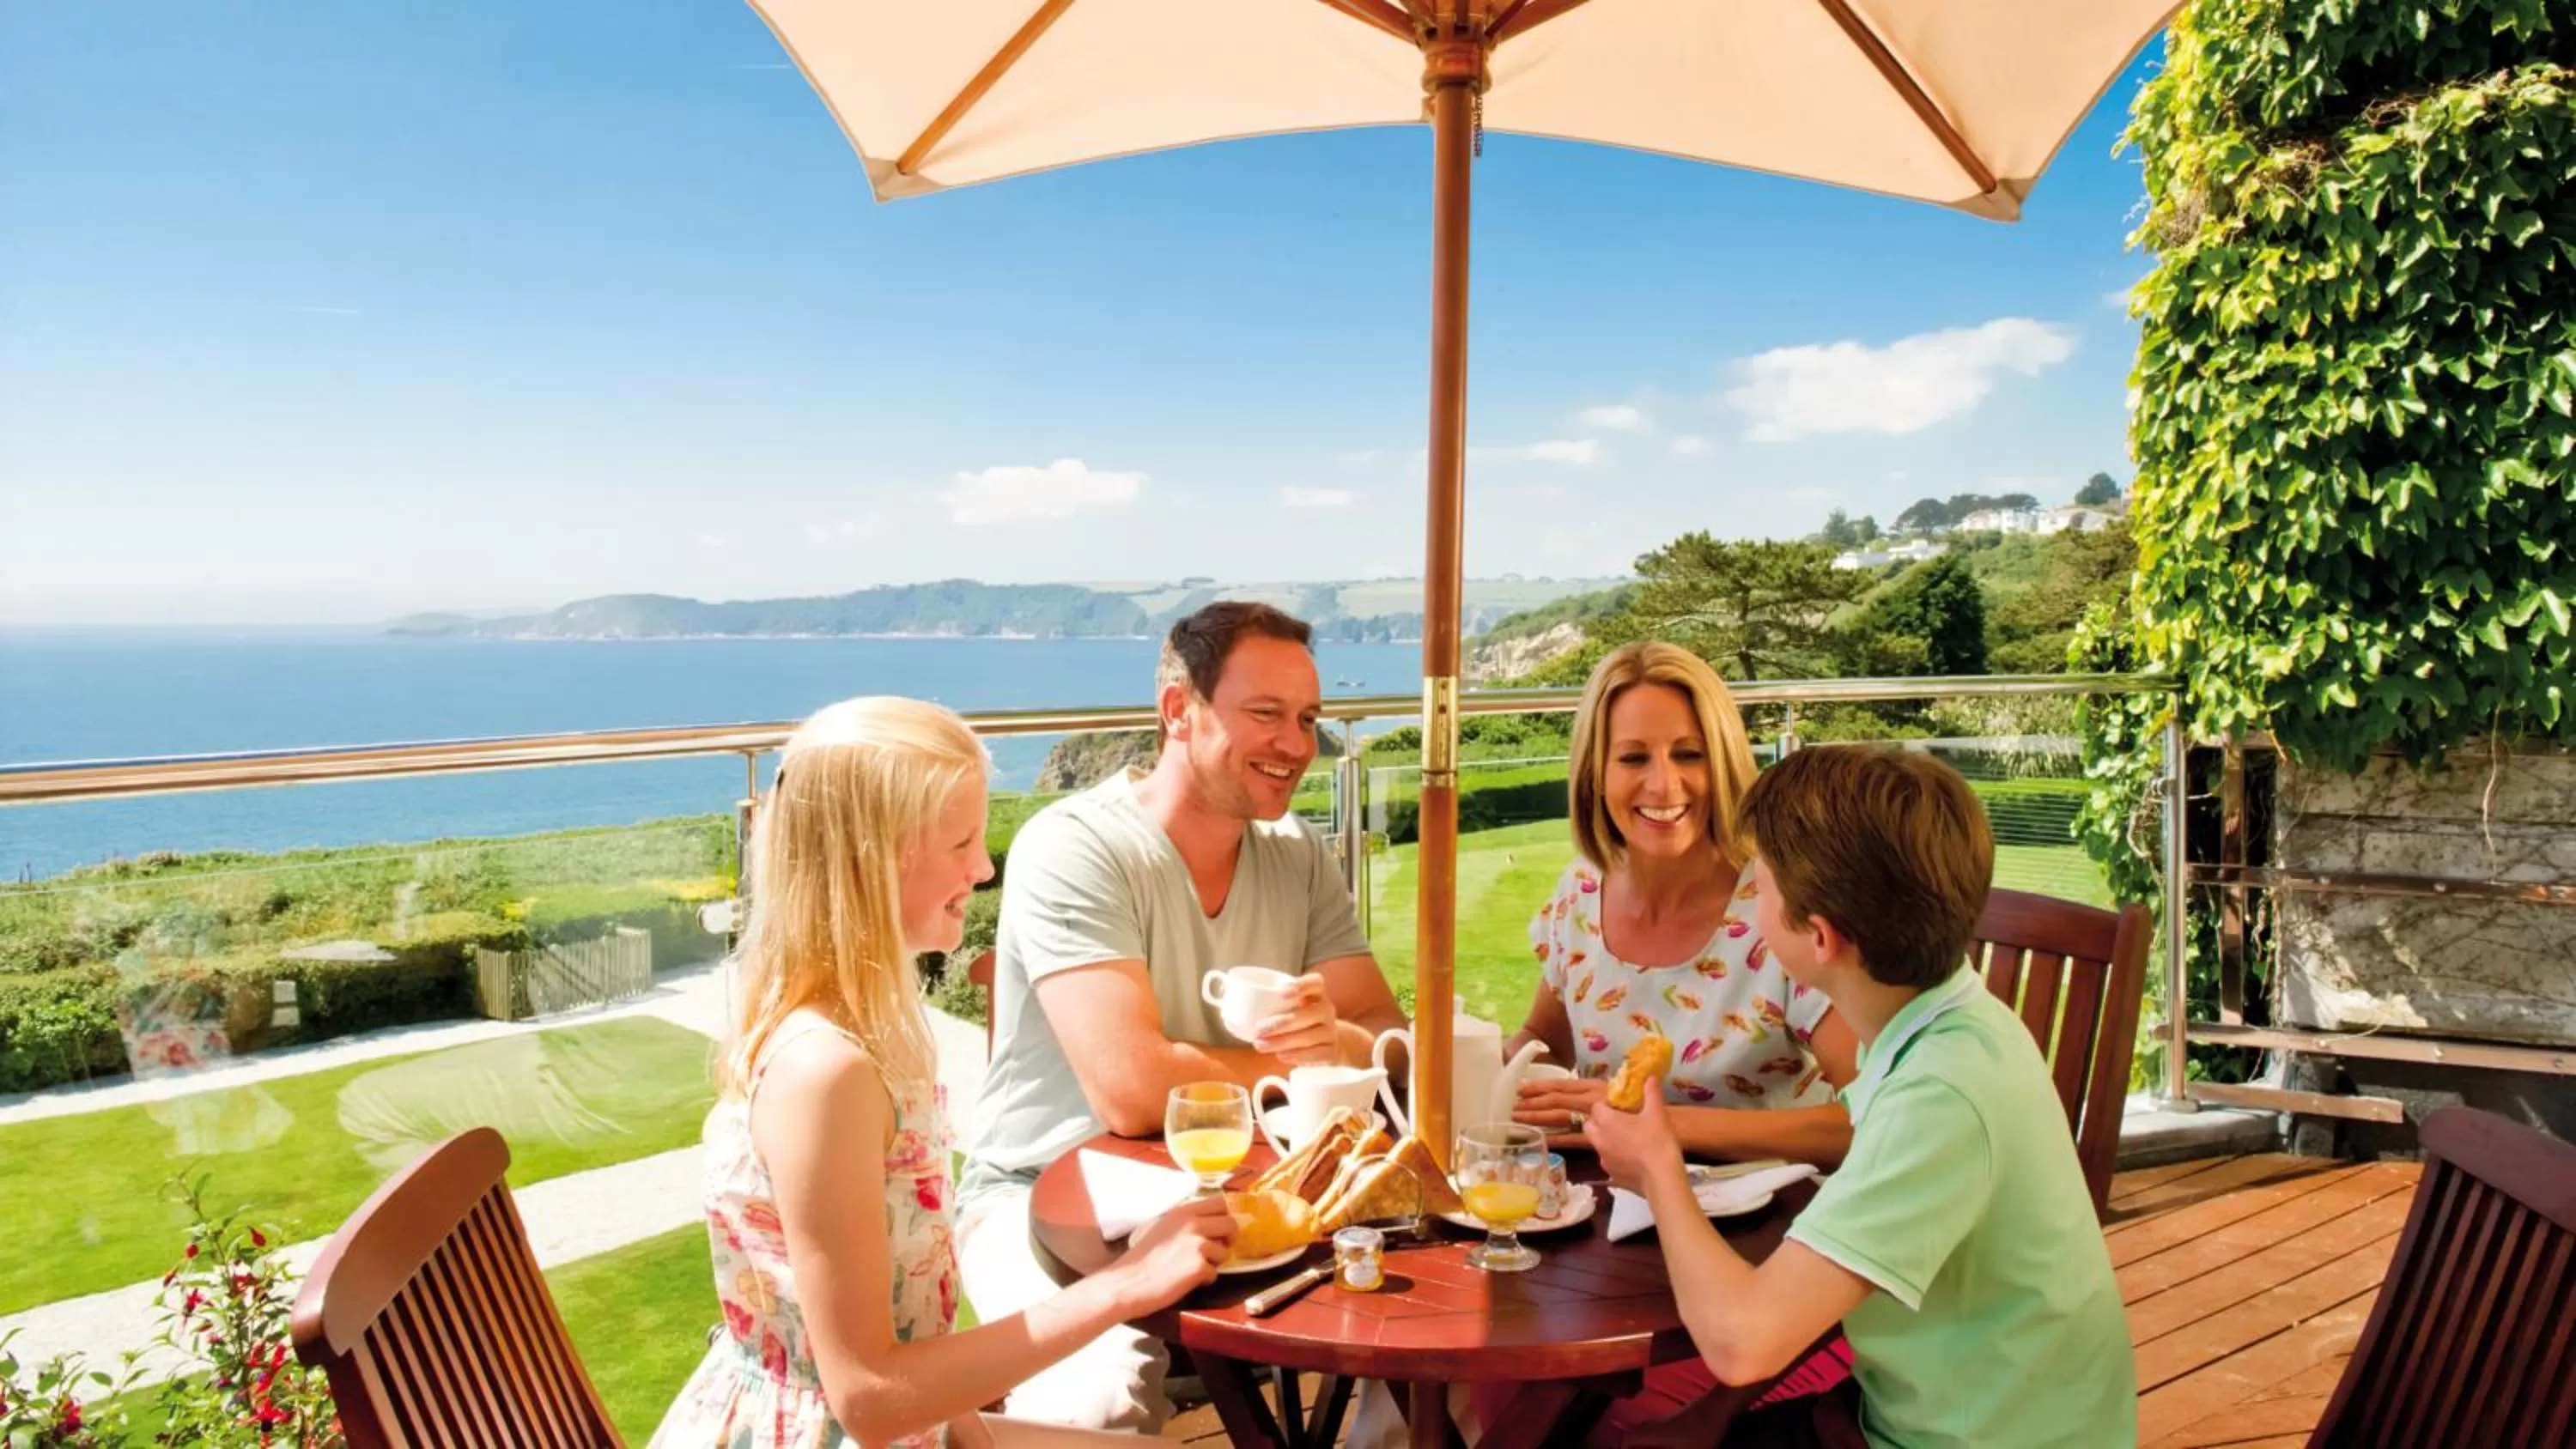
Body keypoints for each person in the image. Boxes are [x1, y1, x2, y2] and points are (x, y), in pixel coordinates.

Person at [650, 697, 1238, 1449]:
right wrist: (1127, 1285)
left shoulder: (870, 1033)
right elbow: (866, 1397)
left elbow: (901, 1339)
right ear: (870, 863)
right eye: (961, 842)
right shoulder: (824, 1073)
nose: (984, 867)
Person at [1584, 746, 2138, 1449]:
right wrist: (1706, 1419)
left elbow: (1741, 1344)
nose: (1748, 893)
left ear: (1818, 938)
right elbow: (1822, 1271)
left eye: (1762, 887)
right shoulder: (1941, 1018)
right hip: (1936, 1410)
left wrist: (1658, 1169)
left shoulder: (1941, 1096)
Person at [958, 602, 1409, 1432]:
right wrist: (1319, 1067)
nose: (1298, 745)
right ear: (1178, 710)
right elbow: (1134, 1093)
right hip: (1045, 1203)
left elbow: (1386, 1032)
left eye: (1307, 719)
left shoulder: (1296, 850)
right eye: (1265, 714)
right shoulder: (1078, 846)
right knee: (1089, 1406)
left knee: (1420, 1344)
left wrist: (1342, 1042)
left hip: (1255, 1193)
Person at [1510, 641, 1859, 1163]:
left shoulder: (1783, 905)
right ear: (1594, 774)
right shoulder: (1580, 892)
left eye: (1689, 754)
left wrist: (1666, 1126)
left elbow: (1869, 1118)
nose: (1663, 783)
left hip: (1767, 1226)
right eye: (1633, 758)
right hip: (1608, 1216)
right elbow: (1545, 1041)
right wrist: (1479, 1070)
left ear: (1722, 761)